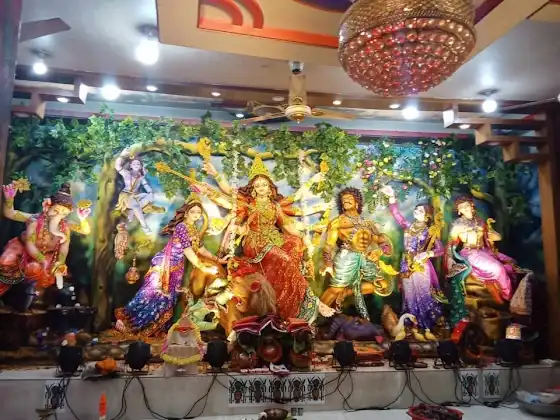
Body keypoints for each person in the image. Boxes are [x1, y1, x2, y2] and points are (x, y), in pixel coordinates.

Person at [202, 157, 333, 323]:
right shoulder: (248, 202)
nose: (261, 188)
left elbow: (287, 225)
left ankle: (286, 300)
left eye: (264, 184)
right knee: (286, 260)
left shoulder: (275, 206)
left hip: (274, 239)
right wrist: (215, 174)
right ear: (253, 189)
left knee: (295, 245)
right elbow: (228, 191)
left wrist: (304, 237)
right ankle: (313, 301)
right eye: (257, 186)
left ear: (270, 188)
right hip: (255, 242)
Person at [114, 196, 227, 338]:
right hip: (163, 265)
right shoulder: (181, 227)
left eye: (198, 212)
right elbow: (188, 251)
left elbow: (201, 249)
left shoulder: (193, 229)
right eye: (193, 212)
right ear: (186, 213)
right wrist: (203, 268)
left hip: (176, 267)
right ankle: (127, 320)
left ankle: (156, 328)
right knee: (150, 293)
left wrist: (218, 260)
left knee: (168, 299)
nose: (196, 215)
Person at [0, 183, 90, 297]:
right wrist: (9, 200)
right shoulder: (34, 220)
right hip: (22, 248)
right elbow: (10, 213)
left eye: (64, 213)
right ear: (47, 205)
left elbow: (83, 232)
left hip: (46, 254)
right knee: (6, 261)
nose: (58, 216)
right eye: (56, 211)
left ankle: (32, 297)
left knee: (39, 271)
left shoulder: (64, 227)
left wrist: (60, 262)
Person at [320, 187, 396, 320]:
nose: (346, 200)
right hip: (346, 258)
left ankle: (346, 293)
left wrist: (379, 251)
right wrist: (328, 263)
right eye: (343, 199)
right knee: (335, 289)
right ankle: (314, 320)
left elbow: (382, 242)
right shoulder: (337, 222)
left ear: (357, 202)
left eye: (349, 198)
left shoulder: (367, 223)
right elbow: (328, 246)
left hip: (365, 258)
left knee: (383, 286)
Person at [445, 195, 519, 325]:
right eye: (462, 207)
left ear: (472, 206)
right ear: (459, 211)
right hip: (469, 253)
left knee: (510, 263)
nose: (465, 208)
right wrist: (450, 258)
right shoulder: (457, 225)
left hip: (484, 250)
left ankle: (513, 297)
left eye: (467, 205)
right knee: (498, 269)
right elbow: (451, 244)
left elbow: (495, 237)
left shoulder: (480, 221)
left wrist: (493, 235)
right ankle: (509, 298)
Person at [381, 185, 444, 332]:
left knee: (424, 293)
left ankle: (428, 322)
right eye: (416, 209)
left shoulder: (430, 231)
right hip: (406, 264)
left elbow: (440, 250)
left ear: (427, 216)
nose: (416, 211)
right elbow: (397, 215)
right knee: (409, 294)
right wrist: (391, 197)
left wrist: (427, 254)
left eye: (420, 210)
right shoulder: (408, 226)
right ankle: (411, 322)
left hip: (421, 266)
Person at [115, 147, 164, 234]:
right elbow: (117, 166)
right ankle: (144, 226)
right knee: (136, 206)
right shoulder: (126, 173)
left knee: (149, 197)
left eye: (138, 164)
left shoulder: (141, 176)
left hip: (134, 196)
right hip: (126, 196)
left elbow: (145, 185)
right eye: (134, 163)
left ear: (141, 166)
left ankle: (132, 211)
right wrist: (122, 155)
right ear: (130, 166)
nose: (136, 165)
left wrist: (150, 193)